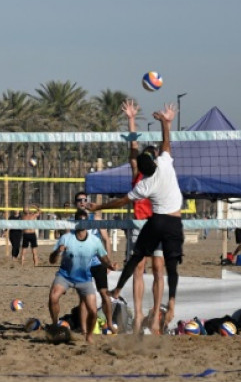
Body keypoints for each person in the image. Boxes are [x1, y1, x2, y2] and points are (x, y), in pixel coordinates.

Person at [88, 102, 184, 336]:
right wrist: (133, 119)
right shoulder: (141, 174)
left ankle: (154, 314)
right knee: (140, 268)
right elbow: (135, 148)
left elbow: (155, 148)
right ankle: (139, 312)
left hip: (153, 223)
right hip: (141, 224)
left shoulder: (150, 177)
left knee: (158, 269)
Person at [47, 208, 116, 343]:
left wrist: (110, 265)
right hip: (65, 275)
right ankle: (55, 324)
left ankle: (89, 335)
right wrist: (57, 252)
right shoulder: (66, 238)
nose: (82, 224)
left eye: (84, 222)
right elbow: (51, 260)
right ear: (75, 223)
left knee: (93, 311)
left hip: (84, 278)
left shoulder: (94, 241)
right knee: (53, 297)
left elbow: (103, 257)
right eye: (79, 222)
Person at [74, 192, 116, 333]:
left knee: (104, 294)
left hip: (98, 263)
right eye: (79, 200)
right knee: (83, 299)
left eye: (85, 200)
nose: (82, 202)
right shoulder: (72, 221)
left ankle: (110, 324)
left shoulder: (96, 218)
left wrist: (107, 262)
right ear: (76, 203)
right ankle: (85, 330)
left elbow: (106, 240)